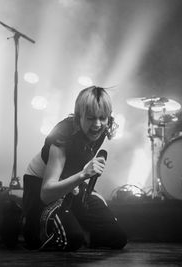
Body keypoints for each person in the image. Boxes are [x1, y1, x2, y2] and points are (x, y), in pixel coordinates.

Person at [22, 86, 127, 251]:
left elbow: (75, 163)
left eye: (102, 118)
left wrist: (88, 192)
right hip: (41, 188)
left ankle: (73, 222)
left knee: (116, 237)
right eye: (91, 118)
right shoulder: (62, 136)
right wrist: (83, 175)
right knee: (71, 239)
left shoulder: (101, 129)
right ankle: (25, 220)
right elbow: (46, 192)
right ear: (79, 118)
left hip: (70, 185)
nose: (97, 124)